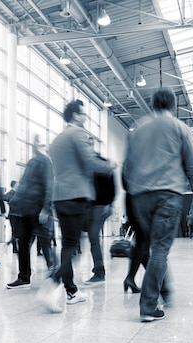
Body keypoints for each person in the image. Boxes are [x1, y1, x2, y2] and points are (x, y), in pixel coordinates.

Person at [123, 88, 193, 322]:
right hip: (168, 195)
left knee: (151, 247)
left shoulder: (137, 128)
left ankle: (165, 289)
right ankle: (148, 306)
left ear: (152, 105)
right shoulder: (180, 128)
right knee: (160, 250)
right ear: (174, 105)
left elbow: (127, 168)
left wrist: (136, 189)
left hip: (139, 197)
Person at [39, 99, 115, 308]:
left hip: (60, 197)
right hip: (76, 195)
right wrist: (110, 166)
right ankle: (52, 283)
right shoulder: (79, 134)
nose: (85, 117)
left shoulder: (57, 141)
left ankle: (71, 291)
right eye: (82, 114)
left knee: (68, 244)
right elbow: (90, 161)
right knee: (73, 246)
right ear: (74, 115)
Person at [6, 135, 55, 289]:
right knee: (24, 244)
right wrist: (16, 201)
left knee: (45, 241)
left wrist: (46, 209)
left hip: (37, 210)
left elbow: (49, 185)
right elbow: (24, 185)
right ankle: (24, 277)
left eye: (37, 143)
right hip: (26, 210)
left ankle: (56, 271)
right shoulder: (32, 162)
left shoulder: (45, 162)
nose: (34, 146)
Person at [84, 137, 115, 285]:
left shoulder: (101, 162)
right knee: (88, 237)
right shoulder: (84, 164)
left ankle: (99, 271)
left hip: (100, 206)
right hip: (88, 206)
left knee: (93, 237)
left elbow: (111, 183)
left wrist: (109, 203)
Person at [4, 180, 19, 253]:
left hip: (15, 215)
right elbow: (4, 198)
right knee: (15, 231)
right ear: (14, 185)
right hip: (14, 215)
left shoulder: (15, 193)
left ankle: (14, 247)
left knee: (15, 231)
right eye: (17, 184)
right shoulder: (11, 193)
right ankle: (14, 248)